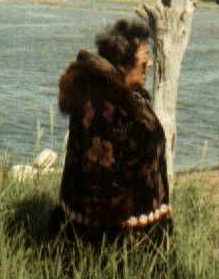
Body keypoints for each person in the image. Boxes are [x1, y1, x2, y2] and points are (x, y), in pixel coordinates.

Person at [49, 18, 171, 246]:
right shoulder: (103, 109)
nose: (151, 64)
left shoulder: (122, 97)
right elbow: (102, 184)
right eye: (145, 59)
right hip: (115, 238)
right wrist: (118, 241)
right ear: (123, 65)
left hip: (134, 225)